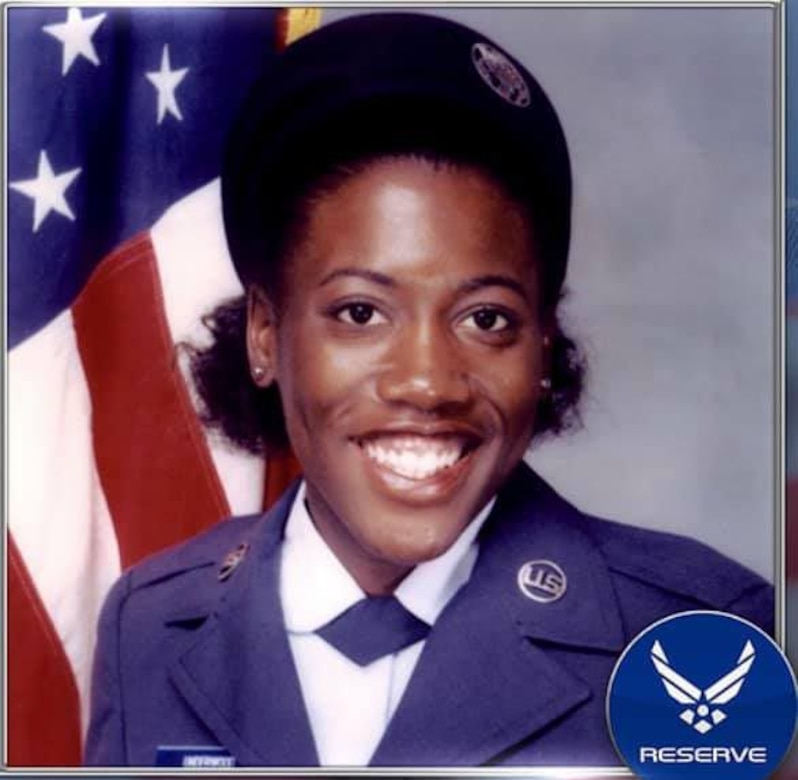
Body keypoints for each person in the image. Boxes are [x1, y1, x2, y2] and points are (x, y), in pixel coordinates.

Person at [84, 12, 773, 768]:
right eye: (359, 313)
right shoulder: (150, 624)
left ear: (542, 344)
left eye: (486, 318)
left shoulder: (693, 634)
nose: (428, 381)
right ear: (263, 334)